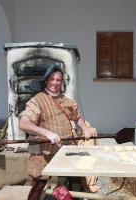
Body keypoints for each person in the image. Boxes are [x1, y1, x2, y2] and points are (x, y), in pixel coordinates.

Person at [18, 63, 93, 200]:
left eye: (58, 80)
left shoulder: (67, 100)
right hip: (44, 150)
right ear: (46, 80)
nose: (55, 83)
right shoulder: (37, 101)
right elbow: (23, 123)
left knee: (71, 180)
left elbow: (77, 117)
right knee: (39, 184)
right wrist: (46, 133)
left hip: (66, 148)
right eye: (52, 79)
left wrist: (85, 129)